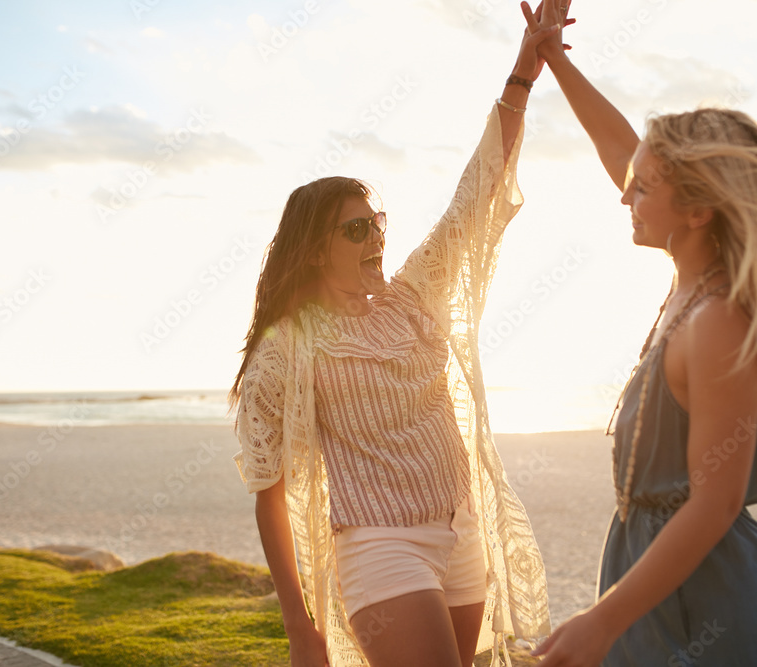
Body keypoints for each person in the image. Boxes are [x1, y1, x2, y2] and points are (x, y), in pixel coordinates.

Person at [228, 9, 566, 667]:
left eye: (377, 223)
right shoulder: (288, 346)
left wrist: (524, 72)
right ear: (314, 248)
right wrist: (301, 628)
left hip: (459, 533)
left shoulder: (412, 299)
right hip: (380, 545)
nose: (375, 237)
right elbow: (269, 494)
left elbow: (474, 197)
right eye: (354, 229)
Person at [522, 2, 757, 665]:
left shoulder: (717, 320)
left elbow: (714, 505)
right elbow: (618, 149)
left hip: (705, 591)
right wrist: (555, 62)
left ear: (696, 209)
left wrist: (603, 620)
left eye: (643, 189)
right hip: (652, 574)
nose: (627, 195)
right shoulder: (691, 284)